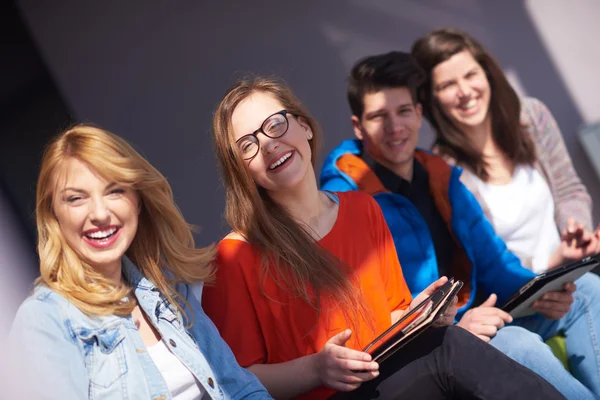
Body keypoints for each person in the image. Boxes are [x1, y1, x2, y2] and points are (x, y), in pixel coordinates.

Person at [202, 76, 564, 400]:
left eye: (275, 125)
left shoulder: (363, 209)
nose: (267, 144)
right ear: (240, 169)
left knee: (449, 340)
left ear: (304, 126)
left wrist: (421, 315)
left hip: (391, 377)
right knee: (450, 346)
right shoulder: (234, 257)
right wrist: (316, 369)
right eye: (248, 144)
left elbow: (388, 318)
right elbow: (237, 381)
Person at [319, 50, 600, 398]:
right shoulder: (341, 197)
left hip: (475, 313)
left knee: (588, 290)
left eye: (404, 111)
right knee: (521, 347)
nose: (395, 128)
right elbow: (365, 312)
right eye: (379, 117)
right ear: (358, 126)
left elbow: (495, 263)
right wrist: (449, 327)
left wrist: (540, 293)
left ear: (419, 114)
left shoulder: (440, 174)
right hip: (428, 342)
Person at [8, 124, 271, 399]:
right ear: (53, 214)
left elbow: (239, 389)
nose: (99, 213)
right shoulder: (45, 319)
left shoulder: (166, 289)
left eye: (115, 191)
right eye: (76, 199)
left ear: (138, 200)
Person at [411, 27, 599, 273]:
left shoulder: (532, 116)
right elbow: (478, 261)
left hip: (577, 270)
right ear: (430, 98)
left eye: (470, 75)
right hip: (525, 296)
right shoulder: (440, 170)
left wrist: (575, 230)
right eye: (447, 85)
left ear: (487, 73)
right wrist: (547, 266)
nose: (465, 92)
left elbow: (568, 190)